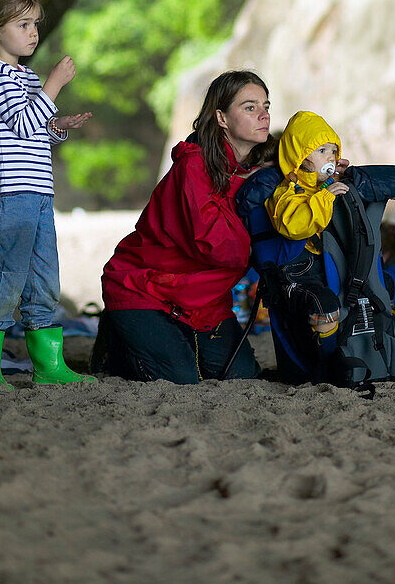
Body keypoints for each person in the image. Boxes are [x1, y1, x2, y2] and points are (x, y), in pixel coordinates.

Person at [0, 0, 92, 393]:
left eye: (35, 24)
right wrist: (54, 84)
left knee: (44, 279)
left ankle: (48, 365)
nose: (33, 32)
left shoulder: (24, 75)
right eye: (23, 24)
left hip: (38, 195)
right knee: (6, 278)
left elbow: (33, 130)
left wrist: (58, 126)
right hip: (9, 195)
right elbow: (20, 122)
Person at [100, 70, 273, 383]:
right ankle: (118, 335)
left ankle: (164, 339)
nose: (263, 114)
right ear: (221, 118)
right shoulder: (195, 165)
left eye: (266, 106)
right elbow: (219, 248)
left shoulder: (260, 171)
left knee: (243, 375)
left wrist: (317, 173)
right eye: (250, 107)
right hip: (146, 289)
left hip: (205, 302)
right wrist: (252, 187)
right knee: (181, 379)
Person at [264, 111, 350, 356]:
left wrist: (333, 185)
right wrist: (326, 197)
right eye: (321, 151)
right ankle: (328, 360)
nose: (330, 157)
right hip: (298, 273)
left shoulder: (325, 186)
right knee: (323, 305)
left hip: (328, 265)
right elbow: (295, 226)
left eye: (333, 150)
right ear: (299, 157)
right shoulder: (286, 193)